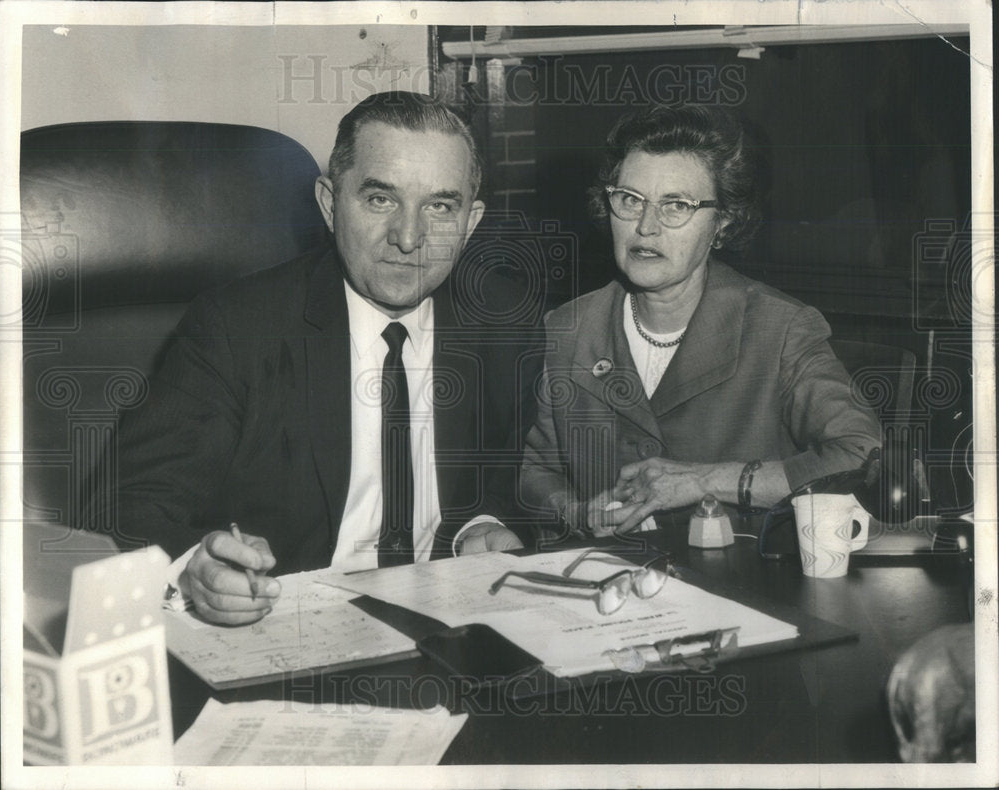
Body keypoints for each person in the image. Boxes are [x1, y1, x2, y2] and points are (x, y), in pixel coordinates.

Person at [98, 92, 535, 624]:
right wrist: (195, 568)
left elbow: (515, 480)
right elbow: (128, 504)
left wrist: (478, 524)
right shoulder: (238, 327)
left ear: (470, 222)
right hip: (290, 625)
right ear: (330, 204)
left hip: (450, 625)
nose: (409, 237)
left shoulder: (504, 323)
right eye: (380, 199)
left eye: (440, 207)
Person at [521, 104, 881, 538]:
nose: (646, 227)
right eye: (631, 200)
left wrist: (705, 480)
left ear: (722, 224)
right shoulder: (569, 329)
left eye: (677, 205)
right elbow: (535, 472)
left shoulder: (780, 329)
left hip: (746, 586)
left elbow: (863, 455)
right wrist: (577, 513)